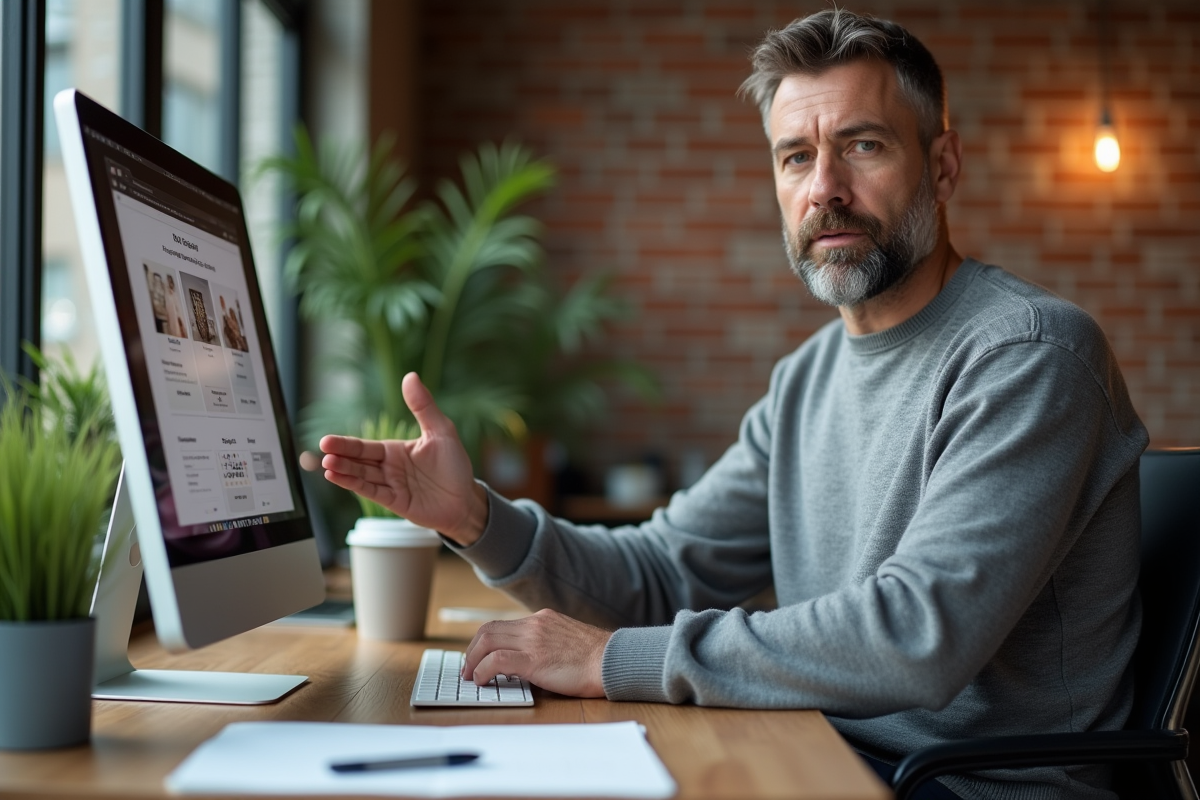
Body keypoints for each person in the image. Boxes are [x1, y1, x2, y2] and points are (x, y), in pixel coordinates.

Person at [320, 10, 1147, 799]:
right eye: (795, 157)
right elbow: (665, 571)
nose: (826, 188)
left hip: (959, 787)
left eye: (863, 145)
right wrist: (475, 517)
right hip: (822, 752)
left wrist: (611, 660)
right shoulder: (807, 379)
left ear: (943, 166)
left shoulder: (1029, 354)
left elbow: (917, 635)